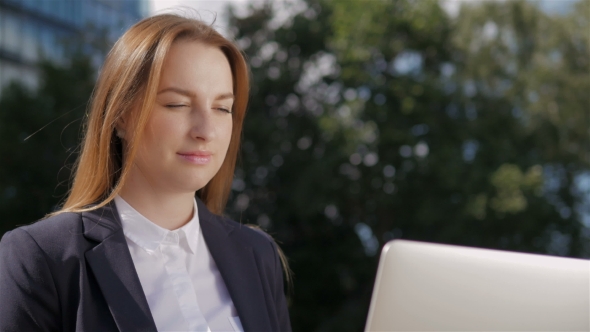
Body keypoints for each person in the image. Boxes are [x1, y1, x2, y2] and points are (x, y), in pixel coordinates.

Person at [0, 13, 291, 332]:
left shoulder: (257, 254)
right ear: (121, 115)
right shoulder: (39, 258)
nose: (206, 130)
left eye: (222, 108)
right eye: (178, 104)